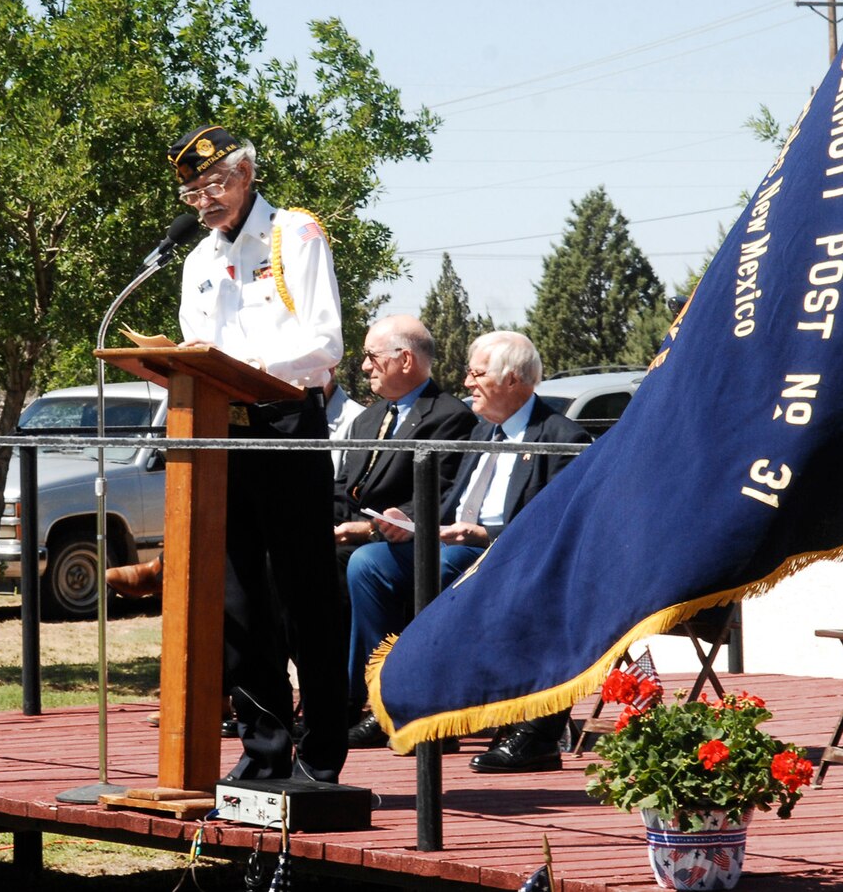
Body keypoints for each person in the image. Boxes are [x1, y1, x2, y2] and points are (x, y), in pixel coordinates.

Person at [168, 124, 348, 783]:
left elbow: (325, 342)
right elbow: (193, 351)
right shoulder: (197, 261)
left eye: (213, 182)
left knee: (306, 594)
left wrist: (247, 368)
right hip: (223, 433)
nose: (204, 200)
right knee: (239, 600)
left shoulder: (292, 234)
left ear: (246, 174)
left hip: (286, 426)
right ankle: (264, 745)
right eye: (192, 189)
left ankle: (323, 745)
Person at [342, 329, 588, 770]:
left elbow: (565, 524)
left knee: (444, 570)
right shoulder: (480, 431)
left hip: (507, 556)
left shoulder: (559, 436)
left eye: (477, 373)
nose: (467, 383)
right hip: (451, 544)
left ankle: (439, 714)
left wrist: (484, 538)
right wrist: (412, 522)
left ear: (512, 380)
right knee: (368, 565)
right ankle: (387, 702)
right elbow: (450, 500)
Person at [334, 314, 478, 740]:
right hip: (350, 538)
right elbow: (344, 489)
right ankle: (315, 697)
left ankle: (370, 700)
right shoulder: (366, 420)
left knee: (361, 563)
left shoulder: (449, 416)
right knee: (279, 565)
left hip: (401, 543)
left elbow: (442, 492)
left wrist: (371, 528)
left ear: (406, 360)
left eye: (371, 357)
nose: (364, 367)